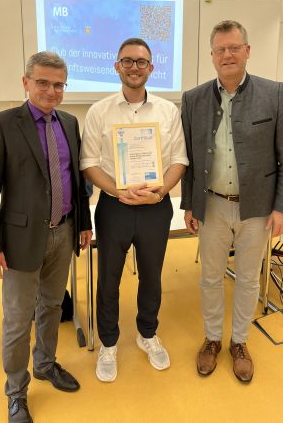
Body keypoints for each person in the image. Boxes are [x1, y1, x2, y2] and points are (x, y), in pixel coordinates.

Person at [0, 51, 92, 422]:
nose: (51, 91)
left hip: (64, 233)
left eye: (59, 85)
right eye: (43, 82)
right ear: (26, 82)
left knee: (53, 306)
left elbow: (77, 182)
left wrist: (84, 223)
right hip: (19, 242)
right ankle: (16, 390)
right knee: (17, 318)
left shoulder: (69, 123)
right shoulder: (2, 124)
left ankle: (44, 363)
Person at [181, 20, 283, 383]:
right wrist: (189, 204)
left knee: (248, 278)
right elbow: (188, 159)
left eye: (234, 48)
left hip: (258, 207)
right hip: (212, 204)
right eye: (220, 49)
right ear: (212, 55)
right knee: (210, 277)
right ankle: (213, 338)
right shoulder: (193, 99)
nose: (227, 55)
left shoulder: (273, 93)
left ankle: (239, 342)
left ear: (247, 51)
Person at [80, 37, 188, 382]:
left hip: (156, 206)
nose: (134, 67)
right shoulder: (99, 111)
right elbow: (88, 162)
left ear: (151, 68)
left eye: (141, 62)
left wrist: (161, 192)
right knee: (108, 277)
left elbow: (179, 160)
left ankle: (147, 333)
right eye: (127, 61)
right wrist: (116, 190)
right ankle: (108, 342)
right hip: (114, 206)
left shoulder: (168, 111)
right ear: (117, 66)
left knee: (152, 276)